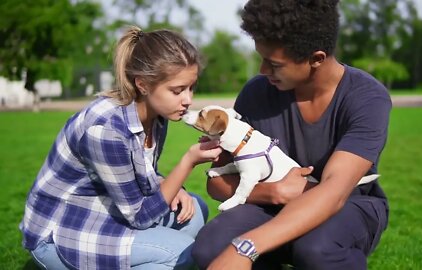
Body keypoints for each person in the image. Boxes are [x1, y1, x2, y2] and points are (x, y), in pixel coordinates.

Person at [191, 0, 391, 269]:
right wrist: (274, 192)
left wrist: (247, 246)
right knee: (210, 249)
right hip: (267, 203)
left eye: (274, 64)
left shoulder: (367, 98)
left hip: (349, 204)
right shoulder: (256, 93)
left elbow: (334, 191)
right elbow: (216, 183)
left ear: (316, 59)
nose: (262, 71)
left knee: (315, 249)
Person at [19, 26, 223, 270]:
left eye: (191, 87)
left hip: (107, 211)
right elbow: (140, 217)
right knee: (180, 252)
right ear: (143, 85)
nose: (188, 99)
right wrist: (188, 162)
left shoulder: (156, 115)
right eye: (177, 90)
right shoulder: (105, 129)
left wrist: (167, 184)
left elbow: (139, 172)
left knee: (194, 210)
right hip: (63, 231)